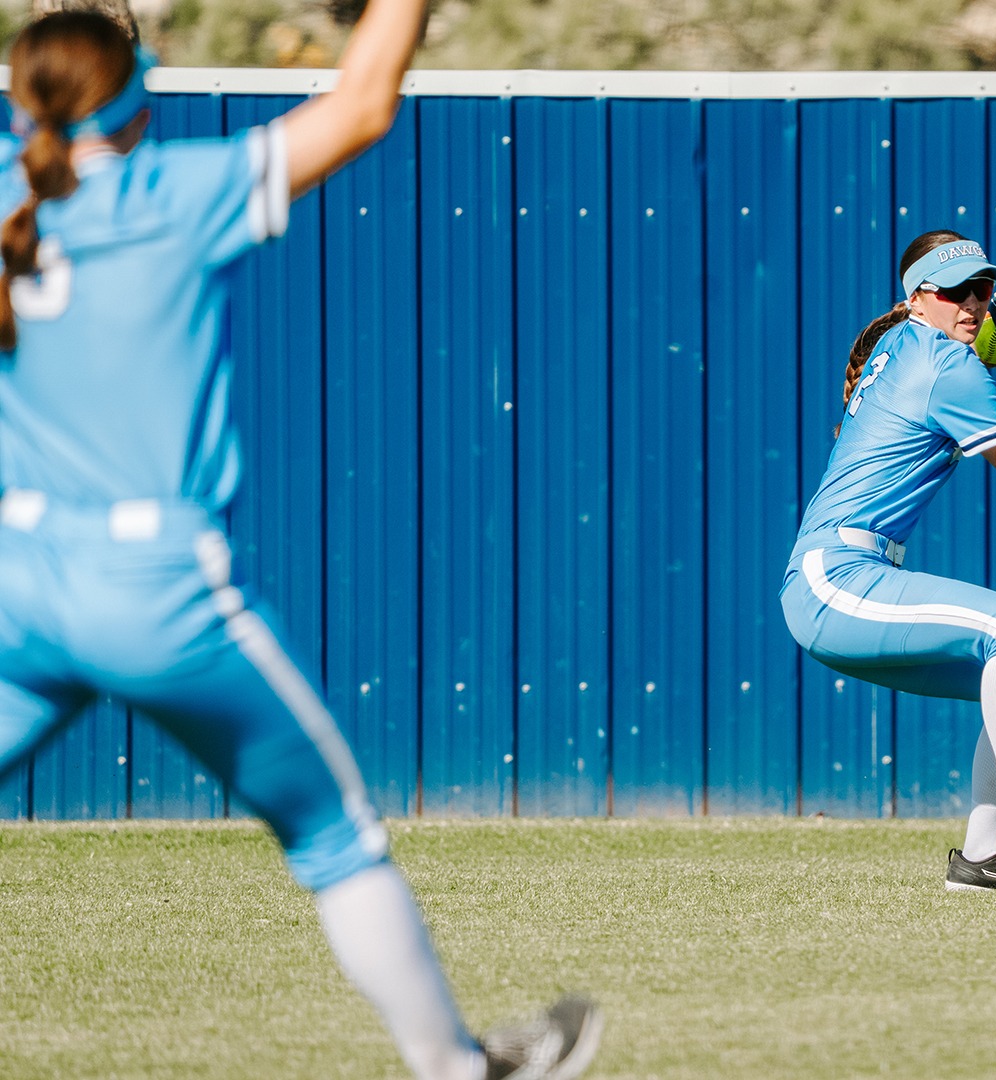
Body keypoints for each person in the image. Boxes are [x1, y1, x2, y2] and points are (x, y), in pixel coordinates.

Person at [0, 9, 602, 1080]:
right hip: (155, 588)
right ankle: (458, 1069)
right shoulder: (168, 195)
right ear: (135, 93)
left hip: (19, 583)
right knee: (334, 837)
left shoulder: (12, 195)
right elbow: (362, 103)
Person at [781, 229, 996, 892]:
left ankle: (984, 856)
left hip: (847, 575)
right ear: (916, 298)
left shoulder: (905, 347)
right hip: (835, 577)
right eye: (954, 290)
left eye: (982, 289)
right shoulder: (943, 361)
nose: (974, 302)